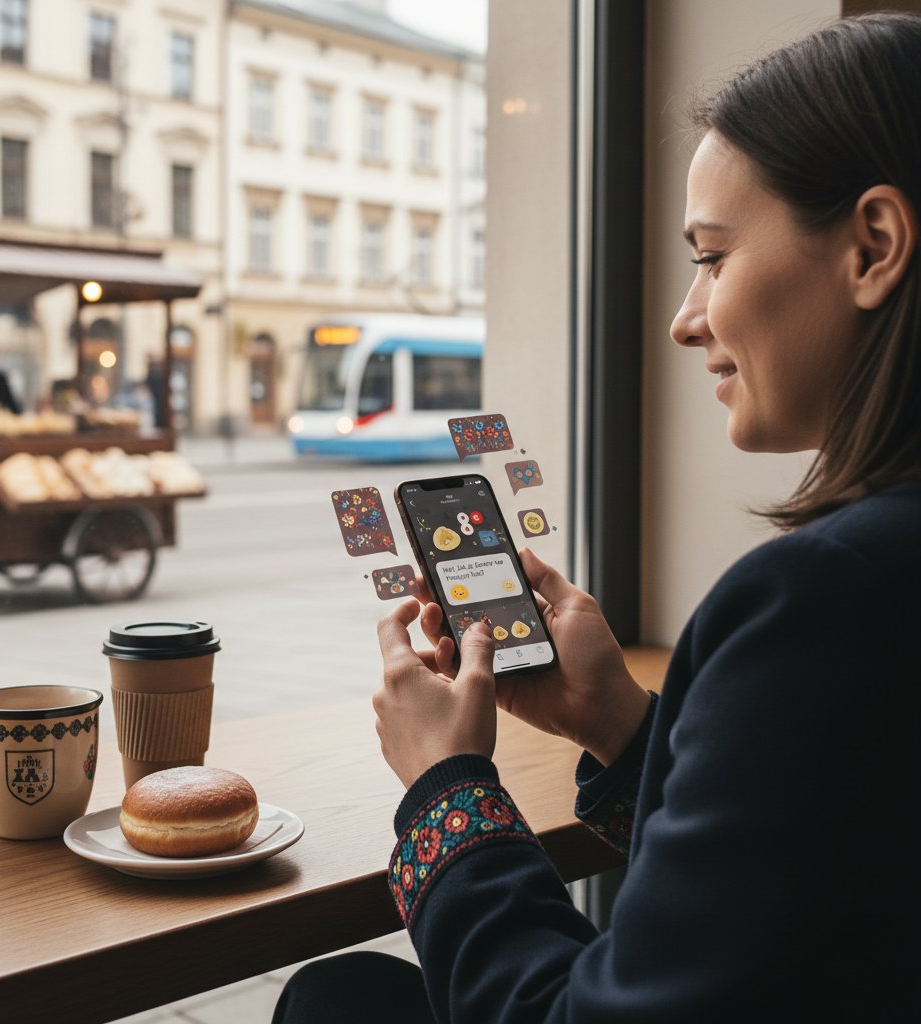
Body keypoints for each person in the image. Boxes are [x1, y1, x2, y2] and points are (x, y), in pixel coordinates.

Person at [273, 12, 921, 1022]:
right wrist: (618, 722)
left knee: (335, 1000)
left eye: (711, 257)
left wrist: (445, 786)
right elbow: (819, 876)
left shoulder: (828, 596)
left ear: (873, 246)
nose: (683, 316)